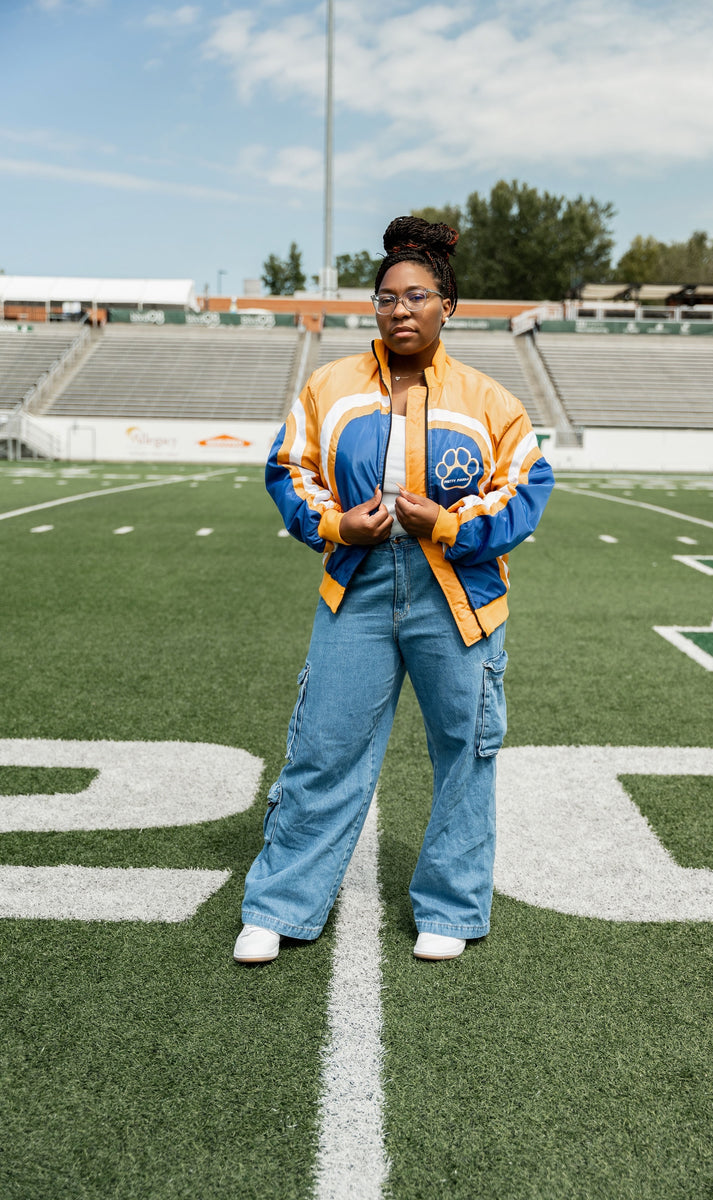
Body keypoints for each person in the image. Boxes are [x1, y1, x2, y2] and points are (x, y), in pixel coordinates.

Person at [234, 215, 554, 964]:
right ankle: (280, 904)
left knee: (464, 752)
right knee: (323, 745)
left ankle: (450, 905)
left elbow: (526, 489)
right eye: (385, 298)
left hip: (460, 598)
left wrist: (445, 523)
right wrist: (339, 527)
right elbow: (289, 469)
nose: (399, 309)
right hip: (358, 587)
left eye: (416, 296)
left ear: (450, 306)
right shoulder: (330, 384)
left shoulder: (489, 400)